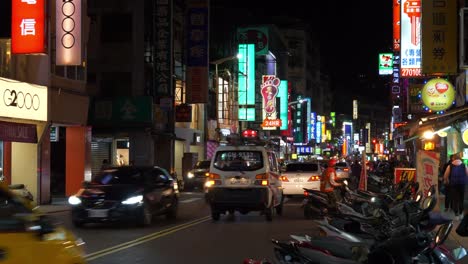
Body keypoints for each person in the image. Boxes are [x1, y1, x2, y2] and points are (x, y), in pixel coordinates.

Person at [443, 153, 468, 220]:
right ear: (459, 158)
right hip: (462, 184)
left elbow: (445, 176)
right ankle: (461, 213)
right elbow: (467, 174)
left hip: (453, 185)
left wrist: (447, 181)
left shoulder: (450, 166)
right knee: (461, 198)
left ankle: (456, 214)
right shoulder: (464, 165)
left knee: (455, 199)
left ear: (453, 158)